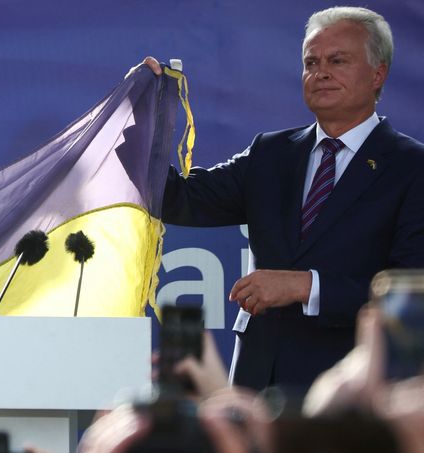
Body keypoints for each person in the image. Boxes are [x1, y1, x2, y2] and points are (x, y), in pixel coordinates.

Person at [150, 6, 424, 393]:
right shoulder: (271, 152)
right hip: (258, 384)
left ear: (378, 73)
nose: (321, 72)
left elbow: (411, 296)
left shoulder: (412, 167)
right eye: (311, 62)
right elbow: (178, 199)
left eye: (337, 60)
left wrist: (305, 286)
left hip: (351, 392)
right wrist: (147, 117)